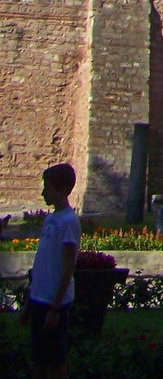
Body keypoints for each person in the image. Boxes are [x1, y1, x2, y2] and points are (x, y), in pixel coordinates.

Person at [19, 162, 81, 379]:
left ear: (62, 189)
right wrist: (29, 302)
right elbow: (42, 263)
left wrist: (55, 308)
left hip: (54, 302)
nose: (44, 192)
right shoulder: (50, 220)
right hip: (39, 299)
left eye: (48, 187)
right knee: (40, 359)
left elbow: (68, 266)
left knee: (55, 360)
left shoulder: (69, 222)